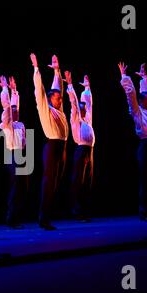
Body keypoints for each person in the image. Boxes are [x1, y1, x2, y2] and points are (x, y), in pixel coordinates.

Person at [30, 53, 69, 230]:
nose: (60, 100)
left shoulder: (59, 109)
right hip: (52, 146)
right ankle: (43, 218)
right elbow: (40, 92)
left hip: (62, 146)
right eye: (57, 98)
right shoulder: (46, 109)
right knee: (49, 182)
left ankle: (48, 216)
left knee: (57, 182)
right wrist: (36, 68)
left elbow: (57, 86)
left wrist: (56, 71)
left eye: (61, 98)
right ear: (50, 99)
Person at [118, 62, 147, 222]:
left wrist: (144, 77)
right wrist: (124, 76)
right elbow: (131, 94)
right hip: (145, 146)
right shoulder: (137, 111)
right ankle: (144, 211)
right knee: (145, 179)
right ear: (142, 102)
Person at [65, 71, 95, 223]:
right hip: (81, 150)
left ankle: (85, 210)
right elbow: (75, 104)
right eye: (81, 108)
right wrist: (70, 85)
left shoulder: (87, 119)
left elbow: (88, 103)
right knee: (78, 181)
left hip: (90, 150)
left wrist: (87, 87)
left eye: (84, 108)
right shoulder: (76, 118)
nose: (84, 109)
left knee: (87, 181)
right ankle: (77, 211)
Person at [0, 75, 27, 229]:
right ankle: (11, 218)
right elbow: (8, 107)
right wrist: (5, 89)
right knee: (15, 187)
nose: (15, 112)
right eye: (13, 111)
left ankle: (17, 216)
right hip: (12, 156)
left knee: (22, 186)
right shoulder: (7, 124)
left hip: (21, 156)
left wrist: (14, 90)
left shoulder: (20, 124)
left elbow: (15, 106)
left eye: (17, 111)